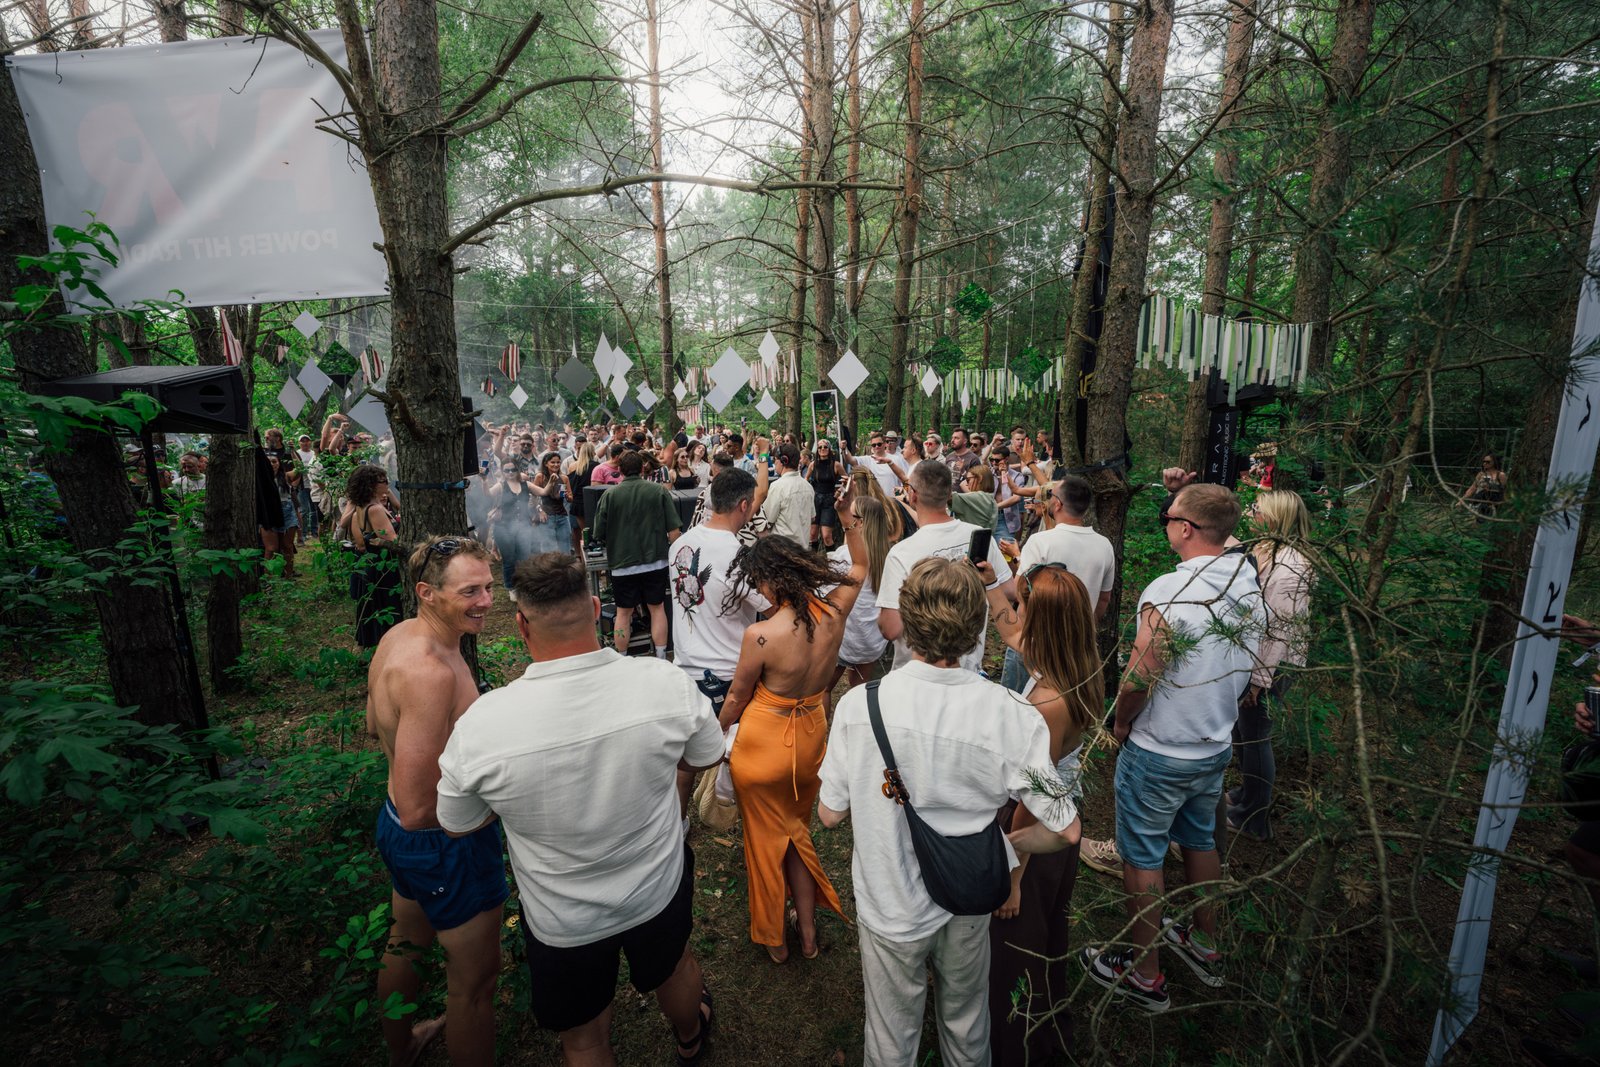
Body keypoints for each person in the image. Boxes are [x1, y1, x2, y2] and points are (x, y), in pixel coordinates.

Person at [436, 553, 719, 1067]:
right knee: (675, 967)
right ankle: (689, 1036)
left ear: (521, 624)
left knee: (584, 1037)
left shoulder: (483, 724)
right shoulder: (663, 683)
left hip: (562, 917)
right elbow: (705, 754)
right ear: (596, 608)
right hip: (655, 886)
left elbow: (458, 822)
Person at [817, 557, 1081, 1066]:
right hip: (969, 898)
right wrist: (1008, 847)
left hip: (888, 900)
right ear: (977, 626)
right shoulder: (1010, 712)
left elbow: (830, 814)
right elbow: (1066, 829)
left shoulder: (859, 706)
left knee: (892, 1032)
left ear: (908, 624)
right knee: (965, 1019)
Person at [1081, 483, 1262, 1013]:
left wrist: (1119, 723)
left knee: (1143, 857)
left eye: (1170, 515)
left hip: (1160, 748)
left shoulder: (1169, 591)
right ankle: (1205, 943)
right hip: (1213, 744)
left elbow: (1140, 676)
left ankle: (1145, 976)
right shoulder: (1248, 581)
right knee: (1201, 841)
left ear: (1185, 528)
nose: (1165, 523)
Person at [367, 536, 505, 1067]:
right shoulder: (430, 672)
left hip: (398, 829)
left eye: (489, 586)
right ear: (427, 592)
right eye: (470, 591)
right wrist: (495, 804)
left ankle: (402, 1050)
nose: (487, 601)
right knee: (474, 984)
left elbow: (373, 724)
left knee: (406, 939)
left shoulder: (397, 636)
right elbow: (422, 805)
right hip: (442, 841)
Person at [719, 495, 868, 962]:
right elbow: (861, 565)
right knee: (796, 836)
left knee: (765, 843)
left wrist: (709, 734)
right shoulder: (835, 613)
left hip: (763, 742)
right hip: (810, 740)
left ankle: (775, 940)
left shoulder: (761, 636)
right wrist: (848, 516)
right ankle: (807, 934)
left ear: (771, 578)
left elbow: (738, 699)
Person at [977, 561, 1103, 1066]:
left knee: (1016, 959)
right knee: (1049, 940)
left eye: (1024, 602)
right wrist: (990, 580)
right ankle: (1049, 1023)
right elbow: (1009, 629)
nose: (1016, 610)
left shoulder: (1048, 703)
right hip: (1057, 825)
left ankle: (1021, 1050)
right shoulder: (1075, 663)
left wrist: (1013, 876)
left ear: (1045, 621)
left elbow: (1034, 796)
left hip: (1036, 840)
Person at [669, 468, 770, 816]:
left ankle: (679, 821)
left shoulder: (679, 544)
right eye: (754, 504)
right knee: (737, 753)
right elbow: (772, 608)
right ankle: (733, 811)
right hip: (727, 673)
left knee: (685, 760)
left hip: (684, 667)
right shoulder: (738, 555)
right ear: (744, 505)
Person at [1229, 490, 1314, 840]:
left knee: (1254, 737)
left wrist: (1258, 681)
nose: (1251, 511)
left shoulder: (1290, 568)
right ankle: (1247, 794)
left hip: (1273, 666)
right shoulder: (1267, 550)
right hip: (1260, 662)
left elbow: (1279, 630)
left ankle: (1254, 818)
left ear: (1275, 518)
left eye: (1257, 509)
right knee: (1243, 734)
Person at [877, 461, 1015, 673]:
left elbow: (890, 628)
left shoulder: (901, 553)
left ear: (913, 495)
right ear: (949, 494)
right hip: (967, 669)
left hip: (917, 674)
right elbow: (1008, 591)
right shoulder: (978, 535)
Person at [1004, 474, 1116, 692]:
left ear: (1057, 503)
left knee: (1018, 703)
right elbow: (1104, 598)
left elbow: (1019, 591)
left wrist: (1015, 559)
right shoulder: (1104, 545)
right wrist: (1084, 625)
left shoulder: (1041, 541)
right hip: (1078, 643)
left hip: (1035, 642)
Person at [591, 450, 683, 659]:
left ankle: (622, 657)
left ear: (619, 470)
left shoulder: (609, 495)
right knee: (657, 609)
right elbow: (674, 531)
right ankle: (661, 657)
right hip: (655, 562)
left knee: (623, 612)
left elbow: (598, 532)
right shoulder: (658, 491)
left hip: (623, 564)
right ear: (643, 468)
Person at [828, 491, 893, 694]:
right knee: (861, 691)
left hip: (845, 637)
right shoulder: (890, 554)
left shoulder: (845, 556)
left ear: (861, 522)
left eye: (851, 514)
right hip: (871, 639)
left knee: (824, 689)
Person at [487, 459, 537, 599]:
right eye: (507, 470)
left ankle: (524, 585)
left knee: (524, 558)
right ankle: (511, 588)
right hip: (503, 527)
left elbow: (542, 492)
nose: (510, 473)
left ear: (518, 470)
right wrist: (484, 480)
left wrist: (552, 482)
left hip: (523, 526)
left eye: (513, 470)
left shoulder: (525, 484)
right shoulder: (501, 485)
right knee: (509, 559)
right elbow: (488, 495)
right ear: (502, 471)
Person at [760, 442, 815, 546]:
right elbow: (812, 517)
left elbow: (767, 518)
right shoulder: (808, 486)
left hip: (783, 551)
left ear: (783, 461)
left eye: (774, 459)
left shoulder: (777, 486)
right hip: (803, 550)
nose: (774, 463)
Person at [261, 452, 300, 578]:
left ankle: (288, 576)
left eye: (274, 461)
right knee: (271, 548)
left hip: (287, 511)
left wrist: (293, 451)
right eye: (269, 462)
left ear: (279, 463)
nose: (272, 464)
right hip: (268, 513)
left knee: (287, 546)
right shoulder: (260, 478)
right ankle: (268, 579)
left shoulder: (286, 476)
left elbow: (300, 469)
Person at [531, 450, 574, 554]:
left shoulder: (564, 478)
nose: (556, 464)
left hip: (562, 516)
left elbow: (570, 497)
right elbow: (533, 497)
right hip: (547, 517)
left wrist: (568, 496)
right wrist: (540, 511)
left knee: (565, 549)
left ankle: (565, 569)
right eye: (553, 462)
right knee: (548, 550)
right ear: (546, 463)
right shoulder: (540, 477)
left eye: (558, 462)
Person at [807, 439, 847, 549]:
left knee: (826, 536)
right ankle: (812, 563)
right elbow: (805, 480)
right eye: (820, 447)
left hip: (829, 500)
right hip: (815, 500)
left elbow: (847, 481)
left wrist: (839, 491)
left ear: (829, 449)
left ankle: (832, 562)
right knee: (812, 534)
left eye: (825, 447)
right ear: (817, 450)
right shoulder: (813, 465)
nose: (822, 449)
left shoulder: (836, 465)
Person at [849, 431, 910, 497]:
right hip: (875, 503)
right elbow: (850, 460)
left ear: (884, 444)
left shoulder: (897, 459)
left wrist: (902, 495)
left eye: (879, 444)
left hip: (893, 501)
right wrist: (844, 449)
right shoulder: (867, 459)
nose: (876, 446)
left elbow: (906, 480)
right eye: (874, 445)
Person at [566, 440, 597, 554]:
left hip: (577, 503)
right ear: (592, 452)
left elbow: (569, 485)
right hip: (592, 503)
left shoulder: (573, 467)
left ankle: (581, 558)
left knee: (583, 532)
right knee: (593, 533)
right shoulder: (597, 467)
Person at [1462, 452, 1508, 520]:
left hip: (1492, 504)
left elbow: (1503, 491)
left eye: (1488, 462)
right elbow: (1473, 488)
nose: (1485, 463)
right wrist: (1462, 500)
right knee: (1473, 521)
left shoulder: (1500, 475)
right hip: (1478, 501)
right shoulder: (1481, 474)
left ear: (1494, 462)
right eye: (1484, 461)